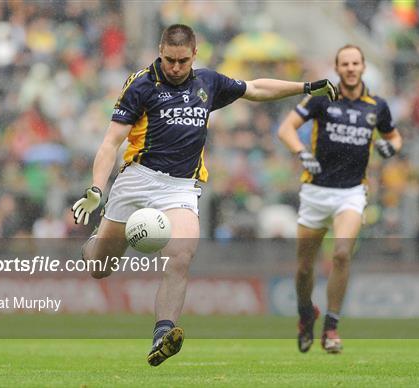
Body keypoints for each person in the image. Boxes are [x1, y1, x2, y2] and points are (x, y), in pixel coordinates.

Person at [72, 23, 337, 366]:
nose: (176, 67)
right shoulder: (141, 84)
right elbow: (111, 141)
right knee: (99, 267)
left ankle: (162, 333)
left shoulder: (207, 82)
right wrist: (96, 187)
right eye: (169, 60)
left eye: (183, 61)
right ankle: (92, 242)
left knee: (180, 256)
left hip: (181, 186)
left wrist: (305, 87)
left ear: (194, 54)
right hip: (137, 180)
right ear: (160, 51)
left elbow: (254, 88)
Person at [277, 44, 402, 354]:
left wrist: (393, 147)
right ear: (337, 68)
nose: (350, 68)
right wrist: (302, 153)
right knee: (305, 267)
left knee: (342, 254)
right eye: (344, 63)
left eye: (355, 63)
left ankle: (331, 327)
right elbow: (286, 129)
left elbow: (394, 136)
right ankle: (306, 313)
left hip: (351, 192)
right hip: (316, 191)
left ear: (362, 67)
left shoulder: (377, 106)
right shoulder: (322, 98)